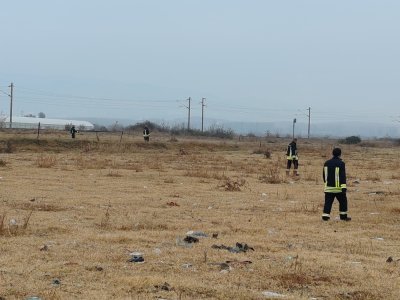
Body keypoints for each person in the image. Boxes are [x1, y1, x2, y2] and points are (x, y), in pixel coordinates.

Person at [322, 148, 351, 221]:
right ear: (340, 154)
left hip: (328, 188)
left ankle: (325, 216)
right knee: (343, 202)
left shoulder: (326, 163)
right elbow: (342, 176)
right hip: (338, 189)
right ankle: (343, 217)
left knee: (328, 203)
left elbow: (324, 175)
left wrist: (326, 183)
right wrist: (343, 187)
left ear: (332, 153)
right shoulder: (341, 163)